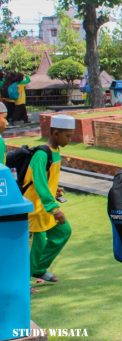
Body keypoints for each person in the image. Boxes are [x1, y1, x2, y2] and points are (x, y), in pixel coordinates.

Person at [25, 114, 75, 283]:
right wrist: (54, 208)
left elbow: (47, 180)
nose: (70, 139)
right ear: (55, 132)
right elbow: (39, 184)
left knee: (64, 232)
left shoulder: (56, 152)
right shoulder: (41, 154)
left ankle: (38, 269)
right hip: (36, 207)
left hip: (45, 205)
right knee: (37, 246)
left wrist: (55, 190)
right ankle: (24, 282)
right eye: (67, 135)